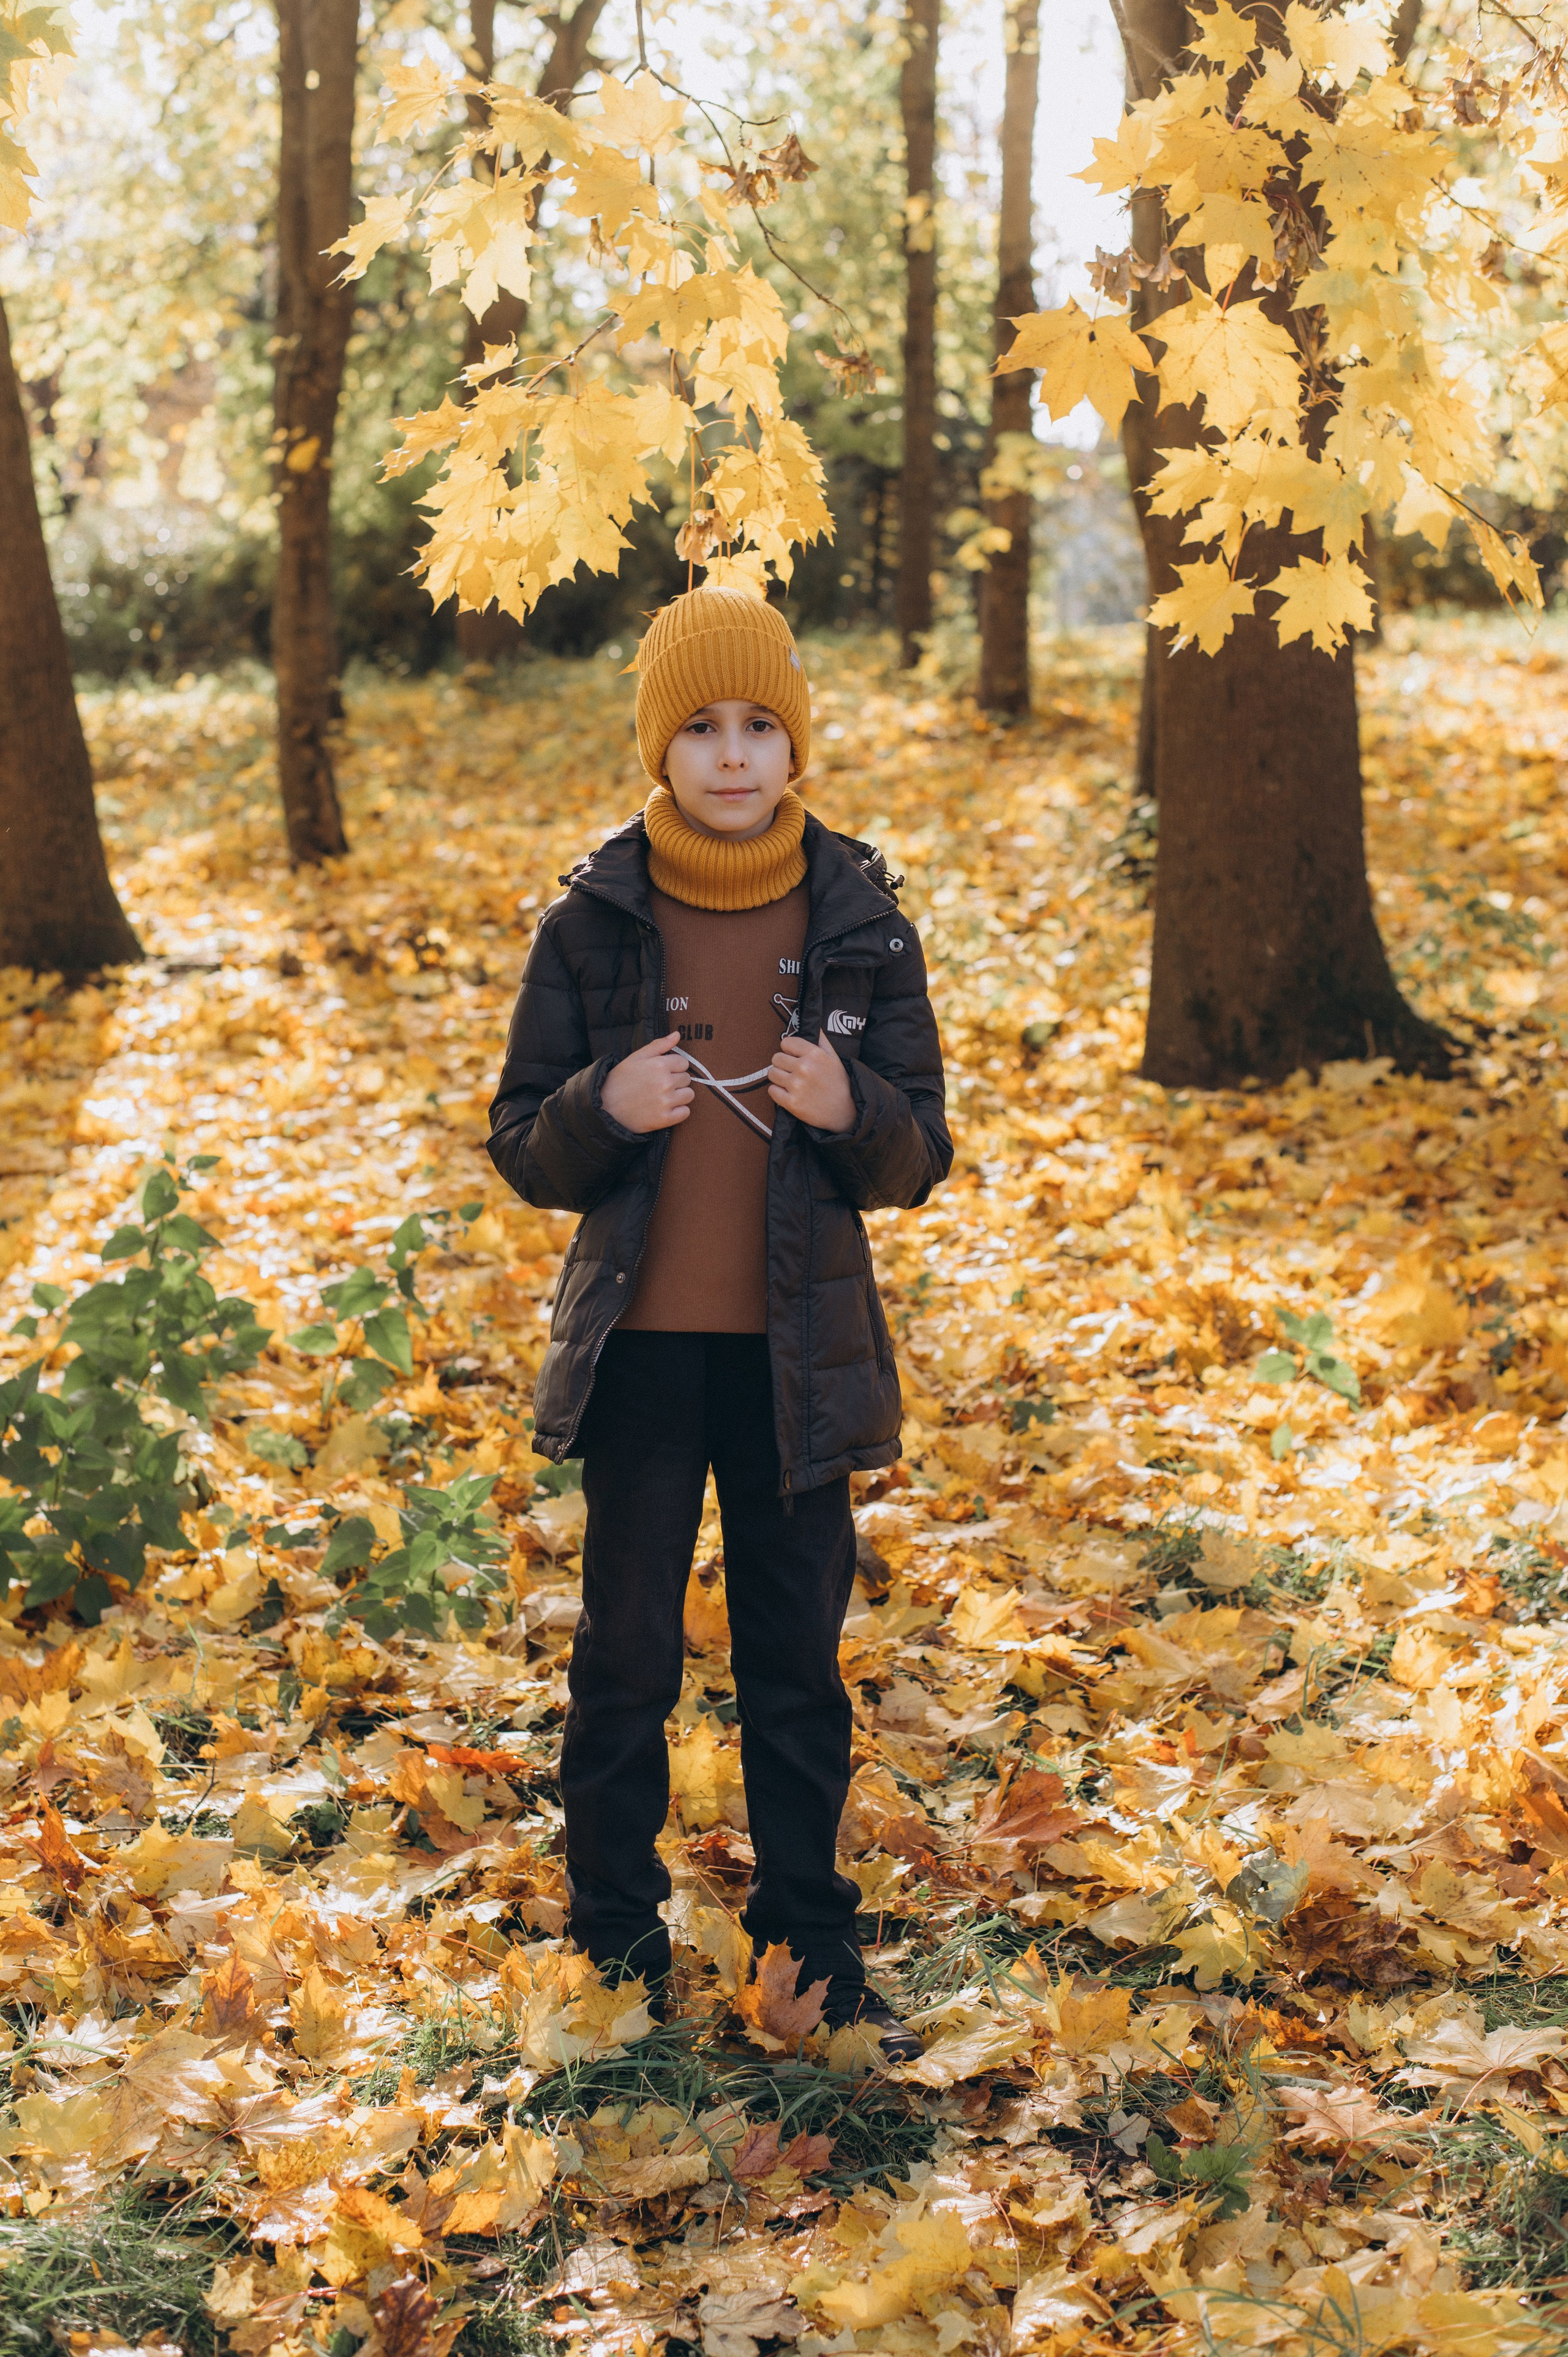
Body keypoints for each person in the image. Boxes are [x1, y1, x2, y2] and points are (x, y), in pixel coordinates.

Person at [487, 586, 951, 2059]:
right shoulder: (595, 913)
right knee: (622, 1649)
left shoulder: (860, 913)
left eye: (759, 725)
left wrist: (847, 1103)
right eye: (701, 728)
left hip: (794, 1359)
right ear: (660, 746)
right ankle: (614, 1934)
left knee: (795, 1661)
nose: (734, 755)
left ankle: (808, 1940)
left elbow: (917, 1155)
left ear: (793, 740)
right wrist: (600, 1106)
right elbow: (520, 1141)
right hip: (637, 1357)